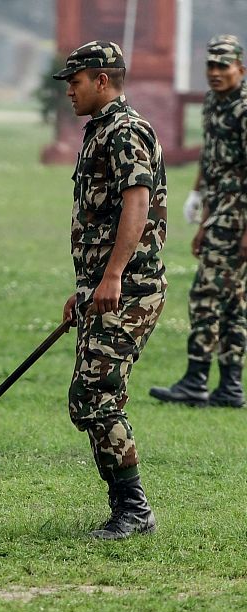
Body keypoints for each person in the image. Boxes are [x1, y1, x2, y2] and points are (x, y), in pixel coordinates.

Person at [54, 41, 167, 540]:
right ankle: (127, 506)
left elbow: (136, 205)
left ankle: (134, 511)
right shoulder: (100, 131)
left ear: (102, 80)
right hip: (106, 288)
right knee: (90, 395)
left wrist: (113, 275)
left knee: (95, 394)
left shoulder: (123, 131)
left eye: (75, 83)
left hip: (130, 288)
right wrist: (87, 287)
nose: (70, 93)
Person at [150, 35, 247, 408]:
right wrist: (201, 209)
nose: (216, 72)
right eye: (210, 65)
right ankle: (231, 387)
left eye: (224, 65)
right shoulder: (213, 103)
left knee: (205, 295)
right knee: (231, 300)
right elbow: (211, 160)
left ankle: (196, 380)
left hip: (239, 215)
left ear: (240, 67)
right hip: (219, 210)